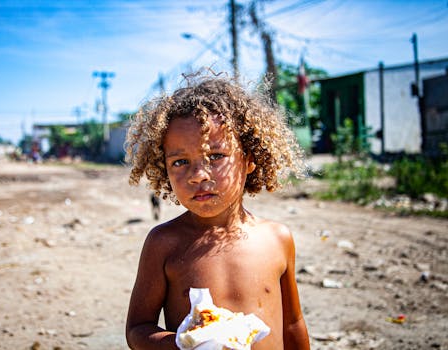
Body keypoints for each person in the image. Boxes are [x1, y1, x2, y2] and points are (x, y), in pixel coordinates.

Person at [124, 72, 309, 350]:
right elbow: (138, 329)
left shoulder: (277, 239)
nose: (198, 174)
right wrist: (186, 344)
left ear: (249, 159)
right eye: (180, 161)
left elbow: (292, 325)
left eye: (216, 156)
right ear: (164, 167)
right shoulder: (164, 243)